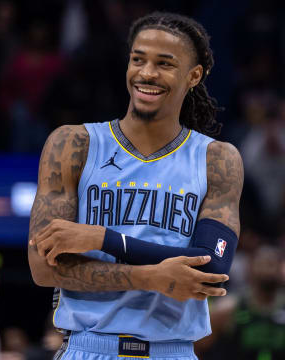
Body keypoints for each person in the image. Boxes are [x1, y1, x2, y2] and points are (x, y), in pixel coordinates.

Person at [28, 11, 243, 360]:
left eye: (164, 63)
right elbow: (43, 267)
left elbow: (211, 268)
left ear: (193, 76)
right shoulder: (73, 144)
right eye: (138, 59)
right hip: (88, 347)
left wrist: (101, 239)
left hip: (172, 350)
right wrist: (151, 277)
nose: (146, 73)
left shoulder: (217, 159)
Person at [196, 245, 285, 360]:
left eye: (273, 265)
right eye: (263, 264)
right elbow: (198, 347)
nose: (268, 270)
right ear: (251, 268)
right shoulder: (228, 308)